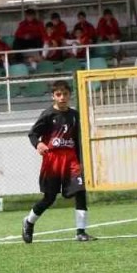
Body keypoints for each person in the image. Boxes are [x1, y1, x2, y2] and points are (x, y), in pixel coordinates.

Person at [22, 80, 94, 244]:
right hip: (53, 160)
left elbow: (77, 139)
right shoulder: (48, 115)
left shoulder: (75, 115)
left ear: (70, 95)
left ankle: (81, 232)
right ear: (53, 96)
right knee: (49, 198)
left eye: (65, 94)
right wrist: (38, 144)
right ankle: (29, 221)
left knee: (80, 191)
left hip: (71, 160)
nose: (62, 97)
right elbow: (33, 134)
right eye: (58, 94)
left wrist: (80, 161)